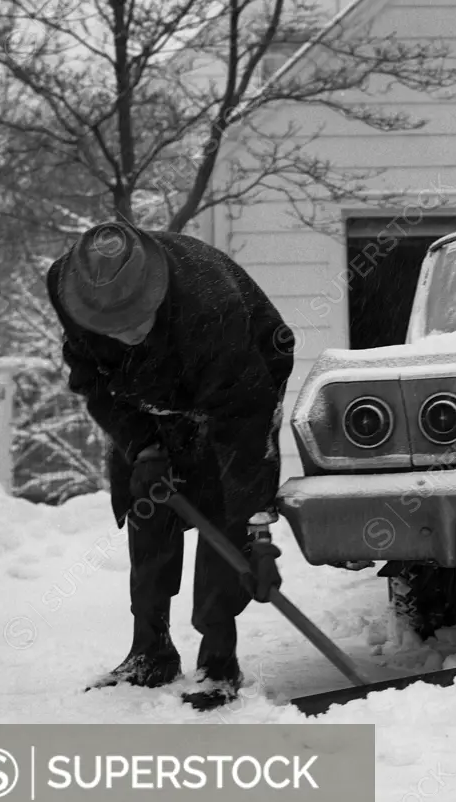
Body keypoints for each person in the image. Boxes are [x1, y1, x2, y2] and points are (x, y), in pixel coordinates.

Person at [45, 220, 295, 710]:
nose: (128, 334)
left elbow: (245, 432)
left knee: (225, 505)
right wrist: (142, 447)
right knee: (146, 503)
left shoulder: (212, 308)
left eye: (136, 319)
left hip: (243, 379)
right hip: (145, 393)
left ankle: (218, 662)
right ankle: (150, 652)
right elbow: (92, 381)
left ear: (156, 293)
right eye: (114, 327)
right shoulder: (68, 288)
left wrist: (258, 532)